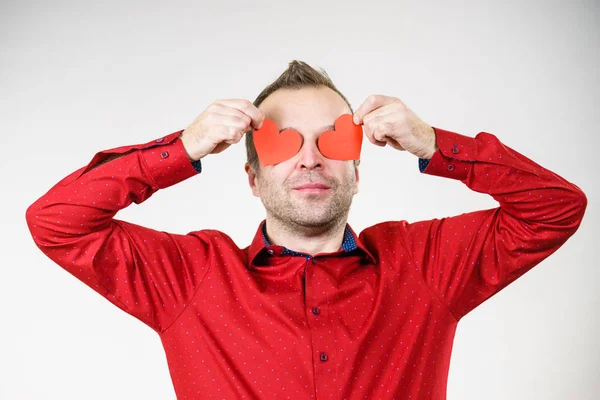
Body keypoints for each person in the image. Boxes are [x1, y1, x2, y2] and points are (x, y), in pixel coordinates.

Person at [25, 60, 587, 400]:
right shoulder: (189, 278)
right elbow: (56, 222)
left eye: (333, 139)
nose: (311, 159)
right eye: (283, 142)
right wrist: (181, 149)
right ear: (251, 176)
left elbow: (556, 208)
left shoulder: (424, 264)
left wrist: (436, 145)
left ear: (358, 171)